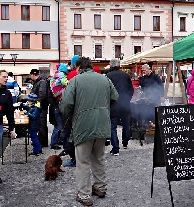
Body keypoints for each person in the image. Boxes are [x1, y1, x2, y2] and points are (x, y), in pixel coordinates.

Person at [60, 57, 119, 206]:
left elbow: (66, 105)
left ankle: (84, 195)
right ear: (91, 67)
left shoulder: (75, 81)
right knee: (99, 159)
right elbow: (115, 97)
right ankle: (100, 188)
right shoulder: (105, 79)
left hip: (83, 126)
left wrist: (68, 114)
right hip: (102, 124)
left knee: (83, 162)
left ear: (78, 67)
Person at [106, 59, 134, 156]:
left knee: (113, 126)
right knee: (126, 124)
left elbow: (107, 91)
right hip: (125, 103)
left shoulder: (108, 76)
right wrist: (128, 98)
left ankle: (116, 148)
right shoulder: (125, 75)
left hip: (114, 104)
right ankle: (125, 142)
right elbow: (131, 89)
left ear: (111, 65)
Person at [49, 63, 69, 150]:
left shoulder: (54, 77)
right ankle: (54, 143)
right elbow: (66, 83)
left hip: (56, 104)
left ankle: (58, 141)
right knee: (59, 126)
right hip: (59, 105)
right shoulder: (61, 76)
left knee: (59, 125)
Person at [30, 69, 49, 147]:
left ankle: (43, 142)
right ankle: (40, 140)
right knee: (40, 124)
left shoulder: (42, 82)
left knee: (42, 125)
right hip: (40, 106)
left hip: (41, 107)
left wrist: (36, 105)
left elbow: (42, 95)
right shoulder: (39, 81)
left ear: (33, 75)